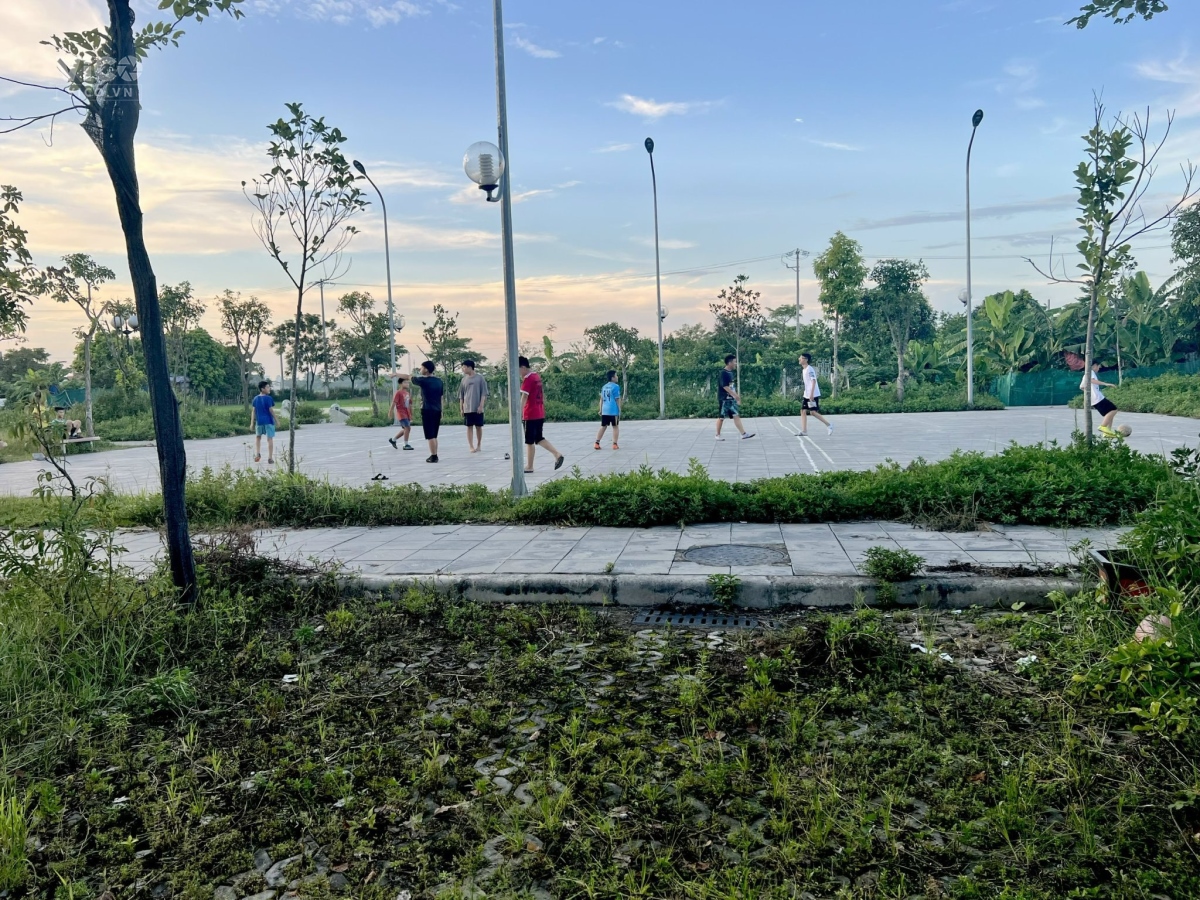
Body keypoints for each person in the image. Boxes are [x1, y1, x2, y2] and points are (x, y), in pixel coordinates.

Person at [518, 356, 564, 473]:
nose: (518, 373)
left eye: (518, 370)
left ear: (523, 367)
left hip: (530, 414)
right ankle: (557, 454)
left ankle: (529, 466)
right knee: (538, 438)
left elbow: (524, 397)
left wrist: (519, 412)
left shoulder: (528, 379)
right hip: (539, 412)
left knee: (529, 441)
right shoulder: (536, 376)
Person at [714, 354, 754, 441]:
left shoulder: (731, 373)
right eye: (735, 362)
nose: (736, 364)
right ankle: (717, 435)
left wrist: (736, 397)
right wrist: (735, 395)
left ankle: (743, 434)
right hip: (724, 399)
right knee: (721, 417)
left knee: (736, 415)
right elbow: (725, 386)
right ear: (729, 363)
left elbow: (731, 386)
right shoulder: (723, 373)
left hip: (731, 399)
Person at [411, 361, 444, 463]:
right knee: (434, 434)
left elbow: (409, 377)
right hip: (437, 410)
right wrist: (441, 410)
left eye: (421, 368)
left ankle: (433, 456)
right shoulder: (439, 381)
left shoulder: (424, 381)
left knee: (430, 435)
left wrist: (396, 374)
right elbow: (441, 397)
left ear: (426, 369)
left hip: (427, 410)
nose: (420, 370)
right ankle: (435, 454)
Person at [798, 353, 834, 436]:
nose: (799, 359)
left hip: (813, 394)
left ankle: (829, 425)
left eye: (801, 358)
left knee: (813, 412)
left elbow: (813, 381)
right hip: (807, 394)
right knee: (803, 411)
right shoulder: (804, 370)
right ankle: (804, 431)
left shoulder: (809, 369)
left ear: (806, 360)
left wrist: (811, 394)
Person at [1082, 361, 1120, 437]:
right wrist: (1106, 384)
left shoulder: (1085, 375)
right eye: (1098, 366)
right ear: (1094, 366)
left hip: (1094, 399)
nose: (1099, 368)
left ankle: (1107, 432)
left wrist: (1090, 394)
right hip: (1097, 398)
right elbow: (1092, 380)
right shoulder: (1090, 372)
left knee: (1109, 413)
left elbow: (1082, 387)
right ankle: (1103, 426)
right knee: (1113, 409)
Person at [458, 359, 489, 453]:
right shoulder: (464, 379)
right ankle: (471, 446)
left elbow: (484, 393)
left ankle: (479, 445)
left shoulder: (480, 378)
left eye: (464, 367)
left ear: (470, 367)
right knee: (469, 426)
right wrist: (461, 408)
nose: (463, 369)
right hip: (467, 407)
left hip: (477, 407)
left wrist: (481, 405)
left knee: (478, 426)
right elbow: (461, 395)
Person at [595, 369, 622, 450]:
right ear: (612, 377)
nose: (617, 377)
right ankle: (614, 444)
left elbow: (601, 399)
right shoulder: (616, 387)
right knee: (615, 426)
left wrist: (600, 410)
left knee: (603, 426)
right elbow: (617, 399)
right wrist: (619, 409)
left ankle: (597, 443)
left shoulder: (604, 387)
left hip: (605, 410)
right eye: (616, 375)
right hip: (613, 410)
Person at [250, 380, 276, 464]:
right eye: (267, 387)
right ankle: (270, 458)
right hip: (268, 421)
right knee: (270, 439)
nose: (269, 388)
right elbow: (271, 410)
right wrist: (276, 419)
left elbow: (253, 411)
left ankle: (258, 453)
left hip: (259, 421)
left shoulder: (255, 398)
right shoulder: (268, 398)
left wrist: (252, 423)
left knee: (258, 437)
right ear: (262, 389)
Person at [388, 375, 413, 451]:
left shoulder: (407, 393)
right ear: (400, 384)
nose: (407, 384)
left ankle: (393, 440)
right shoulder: (398, 393)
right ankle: (405, 445)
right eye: (405, 382)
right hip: (401, 413)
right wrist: (390, 411)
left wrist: (411, 414)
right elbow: (394, 403)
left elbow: (410, 404)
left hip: (407, 413)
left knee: (407, 429)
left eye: (408, 383)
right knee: (407, 428)